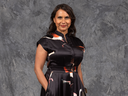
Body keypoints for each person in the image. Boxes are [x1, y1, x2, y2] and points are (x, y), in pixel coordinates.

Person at [34, 4, 87, 96]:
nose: (63, 21)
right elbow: (37, 69)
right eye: (59, 17)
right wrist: (49, 89)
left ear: (71, 20)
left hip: (75, 86)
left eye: (67, 17)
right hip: (54, 84)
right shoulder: (46, 41)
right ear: (54, 20)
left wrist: (81, 88)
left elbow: (78, 69)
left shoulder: (78, 43)